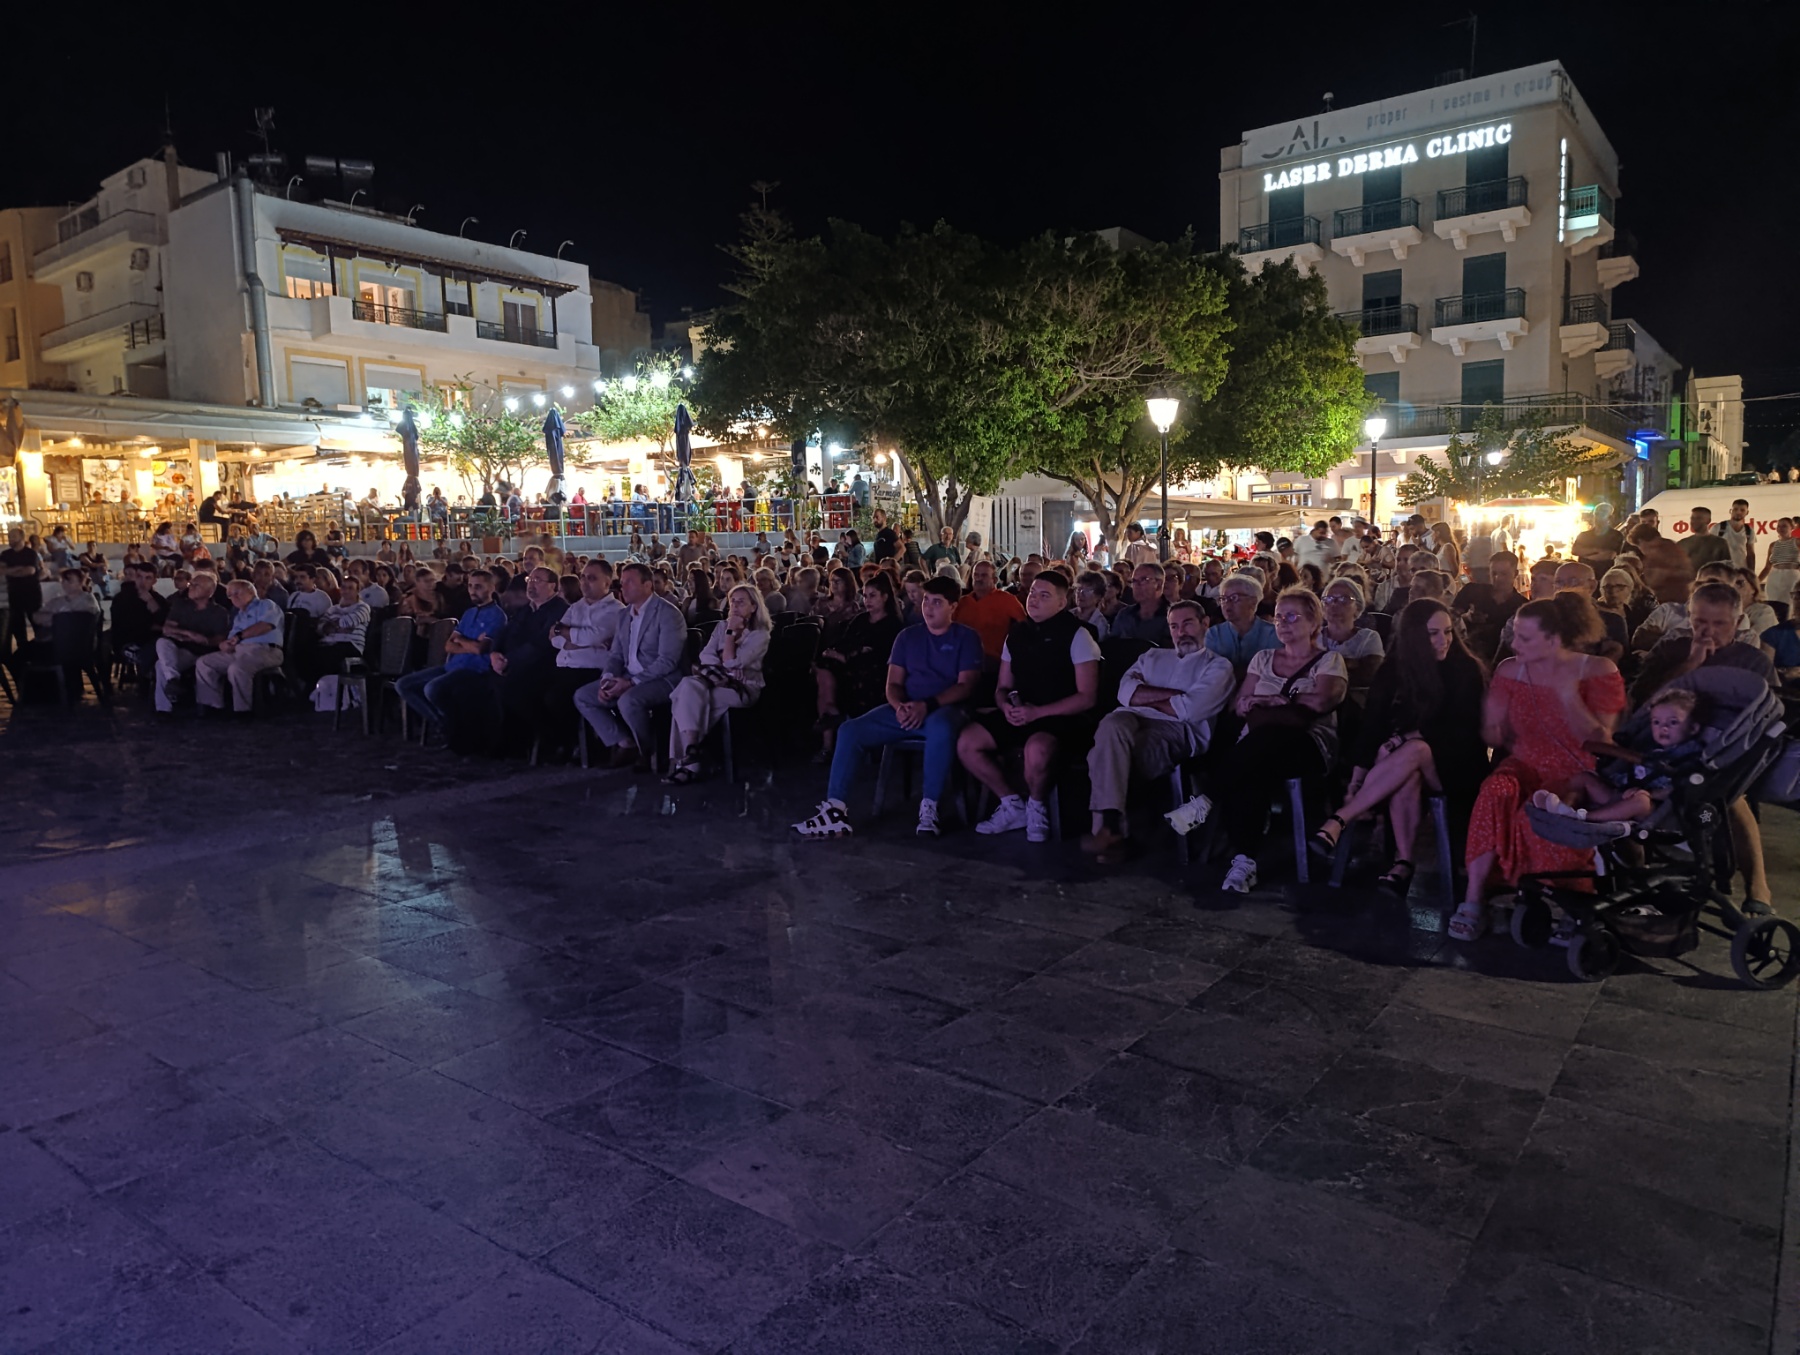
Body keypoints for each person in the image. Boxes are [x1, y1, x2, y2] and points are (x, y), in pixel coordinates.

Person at [1453, 595, 1627, 940]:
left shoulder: (1597, 670)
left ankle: (1570, 903)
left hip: (1576, 768)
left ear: (1553, 639)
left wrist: (1568, 696)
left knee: (1545, 810)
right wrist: (1493, 723)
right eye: (1514, 635)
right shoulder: (1510, 669)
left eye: (1525, 638)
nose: (1514, 644)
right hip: (1526, 762)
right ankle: (1474, 898)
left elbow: (1602, 740)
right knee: (1495, 790)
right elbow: (1493, 733)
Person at [1311, 599, 1489, 893]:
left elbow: (1463, 727)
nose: (1443, 640)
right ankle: (1403, 863)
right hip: (1405, 765)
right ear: (1414, 636)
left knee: (1415, 749)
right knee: (1409, 770)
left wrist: (1404, 739)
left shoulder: (1465, 668)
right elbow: (1373, 726)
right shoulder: (1393, 670)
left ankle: (1340, 819)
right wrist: (1356, 779)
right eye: (1433, 633)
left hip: (1458, 764)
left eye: (1447, 632)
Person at [793, 574, 983, 839]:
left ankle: (929, 806)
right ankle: (835, 809)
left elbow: (966, 686)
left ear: (953, 606)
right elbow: (892, 683)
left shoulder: (967, 637)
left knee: (940, 728)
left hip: (944, 709)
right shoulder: (907, 637)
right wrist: (900, 706)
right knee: (850, 730)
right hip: (905, 709)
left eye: (937, 602)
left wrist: (926, 706)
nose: (928, 607)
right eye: (926, 600)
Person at [1210, 588, 1349, 892]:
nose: (1283, 623)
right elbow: (1240, 703)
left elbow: (1322, 702)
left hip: (1308, 745)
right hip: (1257, 747)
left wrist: (1270, 701)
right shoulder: (1263, 658)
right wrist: (1280, 702)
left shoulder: (1329, 661)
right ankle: (1244, 861)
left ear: (1314, 623)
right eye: (1278, 618)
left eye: (1291, 616)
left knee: (1264, 742)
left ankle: (1208, 799)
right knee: (1255, 765)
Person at [1079, 599, 1235, 863]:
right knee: (1112, 725)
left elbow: (1190, 710)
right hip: (1129, 720)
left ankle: (1110, 830)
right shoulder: (1152, 656)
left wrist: (1146, 696)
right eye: (1174, 626)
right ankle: (1115, 832)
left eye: (1188, 623)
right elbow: (1124, 693)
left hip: (1176, 730)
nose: (1181, 631)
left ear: (1205, 624)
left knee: (1104, 756)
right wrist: (1174, 696)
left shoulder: (1218, 666)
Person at [959, 571, 1101, 842]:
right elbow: (1002, 686)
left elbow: (1087, 696)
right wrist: (1005, 707)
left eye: (1044, 596)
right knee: (967, 742)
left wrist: (1038, 712)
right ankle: (1012, 803)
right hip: (1021, 712)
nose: (1034, 600)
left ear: (1062, 602)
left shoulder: (1078, 635)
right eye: (1033, 593)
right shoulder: (1016, 634)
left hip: (1063, 717)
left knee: (1037, 749)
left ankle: (1037, 805)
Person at [574, 561, 687, 770]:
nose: (623, 587)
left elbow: (667, 661)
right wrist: (608, 678)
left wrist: (630, 682)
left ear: (647, 585)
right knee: (584, 696)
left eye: (629, 583)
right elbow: (616, 654)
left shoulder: (668, 614)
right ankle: (626, 742)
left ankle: (648, 751)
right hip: (626, 675)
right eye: (623, 582)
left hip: (661, 678)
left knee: (628, 701)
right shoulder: (624, 615)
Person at [1534, 687, 1705, 823]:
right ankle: (1564, 809)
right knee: (1584, 778)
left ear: (1693, 728)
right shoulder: (1650, 746)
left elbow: (1681, 788)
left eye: (1673, 722)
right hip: (1620, 791)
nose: (1664, 727)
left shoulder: (1691, 755)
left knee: (1640, 801)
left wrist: (1648, 793)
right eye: (1657, 722)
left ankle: (1586, 818)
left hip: (1652, 807)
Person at [665, 583, 772, 782]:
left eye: (741, 602)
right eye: (732, 601)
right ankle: (692, 750)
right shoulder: (721, 626)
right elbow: (706, 656)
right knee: (689, 688)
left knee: (686, 699)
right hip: (714, 682)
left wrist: (730, 635)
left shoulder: (760, 634)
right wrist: (726, 666)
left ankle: (685, 764)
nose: (735, 606)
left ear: (754, 606)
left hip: (744, 687)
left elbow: (733, 661)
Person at [395, 570, 506, 735]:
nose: (473, 591)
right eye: (470, 586)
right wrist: (469, 642)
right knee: (403, 685)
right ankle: (441, 722)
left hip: (474, 670)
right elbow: (448, 645)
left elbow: (480, 649)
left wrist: (461, 640)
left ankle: (449, 726)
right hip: (453, 665)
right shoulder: (469, 613)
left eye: (478, 587)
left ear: (491, 588)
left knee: (432, 689)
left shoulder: (497, 616)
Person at [813, 573, 905, 763]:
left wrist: (847, 656)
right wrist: (837, 653)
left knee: (853, 671)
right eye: (865, 596)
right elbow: (846, 641)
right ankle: (830, 726)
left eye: (872, 596)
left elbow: (881, 654)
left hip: (875, 670)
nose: (867, 600)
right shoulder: (861, 620)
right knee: (823, 668)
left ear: (884, 597)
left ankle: (831, 730)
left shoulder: (892, 624)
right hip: (852, 664)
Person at [195, 579, 284, 714]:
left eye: (237, 592)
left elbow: (265, 625)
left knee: (237, 668)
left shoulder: (266, 605)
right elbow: (232, 639)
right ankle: (212, 706)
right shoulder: (238, 616)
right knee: (204, 663)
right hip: (239, 651)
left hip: (265, 649)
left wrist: (240, 637)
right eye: (230, 595)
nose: (233, 597)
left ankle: (242, 710)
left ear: (250, 591)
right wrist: (225, 645)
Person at [153, 572, 232, 713]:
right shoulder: (181, 605)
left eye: (197, 585)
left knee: (161, 665)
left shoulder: (219, 612)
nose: (191, 587)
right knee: (162, 643)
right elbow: (167, 628)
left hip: (200, 651)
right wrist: (189, 634)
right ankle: (171, 685)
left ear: (209, 592)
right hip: (179, 647)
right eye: (191, 584)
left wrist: (204, 640)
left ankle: (167, 701)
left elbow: (219, 639)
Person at [954, 560, 1027, 666]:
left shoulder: (1008, 600)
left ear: (995, 580)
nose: (978, 579)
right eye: (976, 575)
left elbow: (1024, 629)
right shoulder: (962, 602)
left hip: (995, 663)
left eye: (984, 575)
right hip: (962, 662)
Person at [1204, 574, 1278, 677]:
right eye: (1223, 598)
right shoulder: (1213, 634)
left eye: (1234, 598)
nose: (1227, 604)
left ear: (1253, 601)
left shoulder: (1273, 635)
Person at [1318, 578, 1384, 687]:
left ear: (1357, 607)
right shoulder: (1312, 636)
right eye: (1329, 599)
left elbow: (1368, 675)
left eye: (1344, 599)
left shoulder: (1368, 638)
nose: (1334, 604)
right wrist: (1351, 663)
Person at [2, 526, 44, 649]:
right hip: (14, 595)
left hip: (32, 594)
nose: (10, 540)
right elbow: (1, 570)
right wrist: (19, 569)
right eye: (9, 537)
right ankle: (23, 654)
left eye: (13, 537)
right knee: (18, 628)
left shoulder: (30, 553)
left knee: (37, 624)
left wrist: (9, 570)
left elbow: (30, 571)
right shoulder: (5, 554)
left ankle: (40, 653)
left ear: (21, 538)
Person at [1109, 562, 1171, 645]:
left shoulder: (1173, 616)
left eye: (1144, 580)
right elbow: (1112, 646)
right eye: (1134, 581)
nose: (1137, 586)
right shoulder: (1124, 615)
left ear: (1159, 585)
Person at [1679, 506, 1732, 571]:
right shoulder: (1682, 543)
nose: (1693, 521)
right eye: (1692, 518)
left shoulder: (1720, 543)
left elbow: (1727, 570)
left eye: (1698, 518)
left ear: (1708, 521)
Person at [1716, 498, 1757, 572]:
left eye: (1742, 510)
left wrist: (1751, 574)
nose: (1738, 512)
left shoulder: (1749, 531)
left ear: (1747, 512)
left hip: (1741, 571)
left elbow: (1751, 554)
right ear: (1730, 511)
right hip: (1722, 572)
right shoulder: (1718, 527)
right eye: (1735, 509)